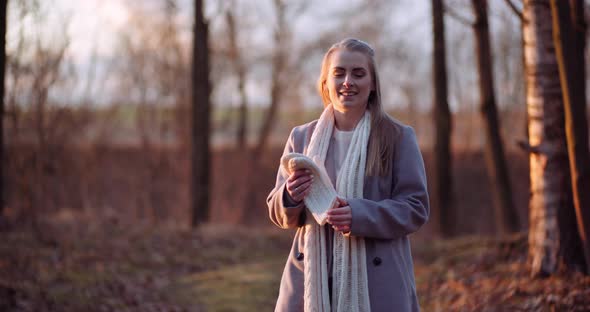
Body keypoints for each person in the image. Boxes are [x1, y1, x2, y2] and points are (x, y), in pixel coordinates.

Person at [267, 38, 429, 312]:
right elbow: (276, 211)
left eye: (358, 73)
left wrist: (360, 215)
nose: (347, 82)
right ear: (325, 82)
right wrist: (289, 196)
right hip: (310, 280)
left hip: (376, 282)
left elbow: (416, 208)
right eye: (339, 73)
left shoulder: (398, 137)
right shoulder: (301, 137)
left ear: (373, 83)